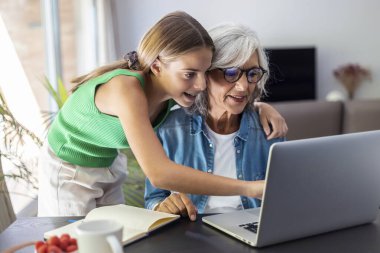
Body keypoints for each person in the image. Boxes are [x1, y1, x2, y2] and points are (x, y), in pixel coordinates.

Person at [37, 11, 287, 216]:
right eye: (190, 74)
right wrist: (249, 188)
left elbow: (225, 98)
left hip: (109, 165)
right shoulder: (127, 89)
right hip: (69, 168)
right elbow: (159, 174)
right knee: (71, 243)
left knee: (111, 241)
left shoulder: (170, 96)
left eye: (203, 72)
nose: (200, 85)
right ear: (157, 66)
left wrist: (258, 106)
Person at [145, 23, 286, 221]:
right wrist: (162, 207)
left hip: (252, 227)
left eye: (252, 74)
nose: (244, 86)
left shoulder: (269, 129)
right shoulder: (170, 129)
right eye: (230, 73)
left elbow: (286, 197)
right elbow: (153, 198)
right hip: (193, 230)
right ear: (206, 73)